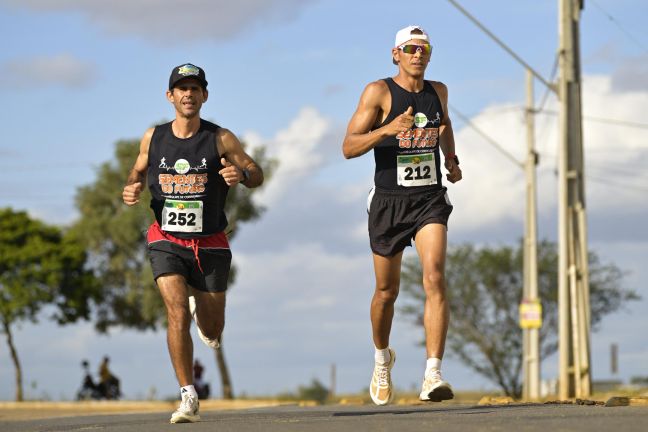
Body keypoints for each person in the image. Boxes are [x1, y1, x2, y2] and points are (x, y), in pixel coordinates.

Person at [122, 63, 264, 423]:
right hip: (166, 240)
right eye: (181, 88)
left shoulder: (221, 138)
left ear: (204, 96)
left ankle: (206, 317)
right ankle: (188, 395)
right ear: (170, 96)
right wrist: (132, 186)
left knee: (213, 329)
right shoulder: (153, 138)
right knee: (175, 312)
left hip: (211, 243)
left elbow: (256, 172)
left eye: (195, 88)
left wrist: (241, 175)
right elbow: (137, 170)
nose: (188, 94)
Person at [342, 26, 462, 406]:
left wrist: (451, 160)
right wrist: (387, 130)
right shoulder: (378, 92)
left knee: (435, 277)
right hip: (389, 202)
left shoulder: (437, 92)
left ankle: (432, 374)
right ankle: (382, 358)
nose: (418, 54)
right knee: (386, 292)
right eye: (410, 48)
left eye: (424, 49)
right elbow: (348, 147)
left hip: (428, 198)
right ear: (396, 54)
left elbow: (444, 126)